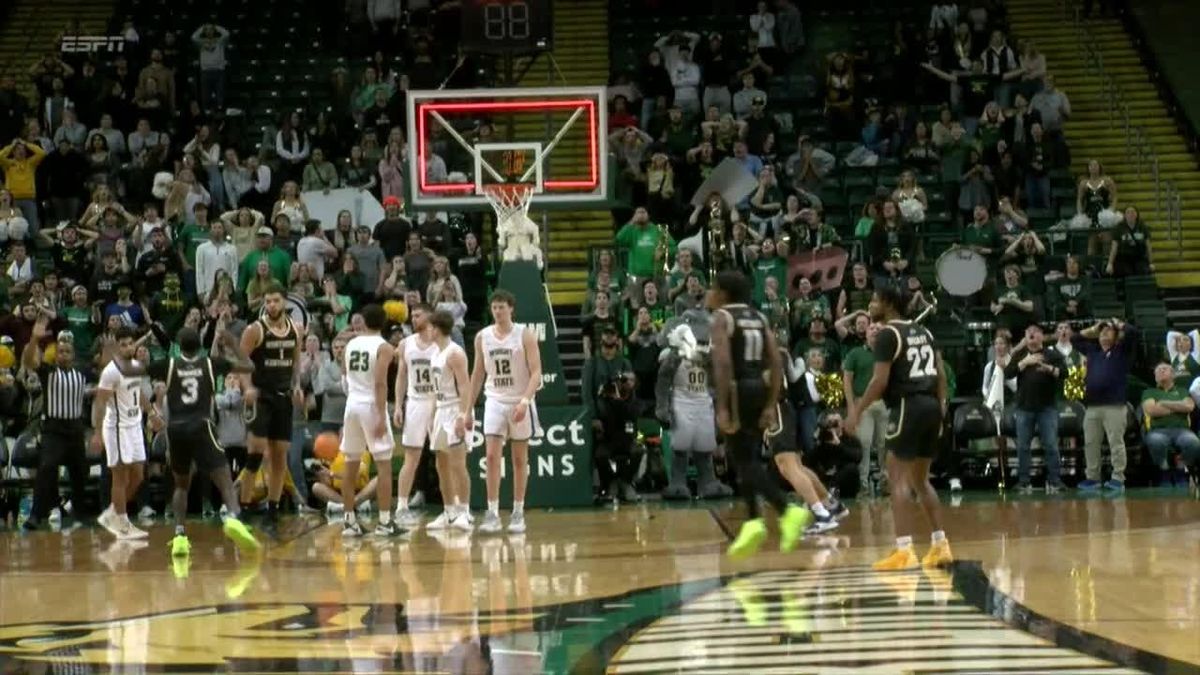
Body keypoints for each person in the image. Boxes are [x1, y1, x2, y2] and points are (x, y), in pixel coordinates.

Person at [846, 284, 952, 570]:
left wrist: (856, 411)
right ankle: (941, 545)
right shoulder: (925, 333)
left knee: (898, 481)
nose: (870, 304)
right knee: (921, 480)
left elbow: (879, 382)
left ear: (889, 303)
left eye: (874, 298)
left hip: (907, 406)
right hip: (931, 405)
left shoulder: (887, 335)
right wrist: (941, 411)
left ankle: (904, 550)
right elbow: (940, 375)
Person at [708, 271, 811, 559]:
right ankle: (753, 521)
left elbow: (724, 364)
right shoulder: (758, 317)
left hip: (737, 389)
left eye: (712, 289)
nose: (709, 294)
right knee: (746, 459)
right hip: (759, 387)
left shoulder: (722, 318)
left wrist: (723, 405)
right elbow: (777, 361)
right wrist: (770, 402)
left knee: (743, 461)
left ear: (723, 293)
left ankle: (785, 510)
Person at [141, 327, 259, 559]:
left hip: (175, 429)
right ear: (200, 346)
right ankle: (235, 518)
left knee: (181, 485)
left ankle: (180, 536)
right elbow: (249, 366)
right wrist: (234, 344)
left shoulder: (169, 364)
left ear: (179, 345)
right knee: (224, 476)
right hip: (201, 424)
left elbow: (135, 371)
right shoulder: (210, 363)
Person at [468, 290, 543, 535]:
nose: (498, 311)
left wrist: (524, 401)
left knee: (519, 459)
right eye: (494, 307)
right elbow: (478, 374)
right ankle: (492, 512)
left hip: (519, 400)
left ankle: (518, 511)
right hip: (494, 400)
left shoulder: (525, 335)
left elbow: (536, 373)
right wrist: (467, 409)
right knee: (490, 456)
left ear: (511, 308)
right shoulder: (482, 337)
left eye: (502, 307)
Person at [237, 284, 304, 525]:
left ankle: (273, 509)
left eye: (276, 300)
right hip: (261, 395)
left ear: (285, 302)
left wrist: (297, 385)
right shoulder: (255, 329)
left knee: (280, 454)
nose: (272, 305)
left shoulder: (296, 329)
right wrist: (248, 388)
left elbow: (296, 361)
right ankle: (243, 507)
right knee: (256, 450)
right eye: (268, 301)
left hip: (283, 395)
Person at [20, 319, 92, 530]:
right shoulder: (49, 372)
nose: (63, 355)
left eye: (67, 352)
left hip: (76, 429)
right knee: (47, 468)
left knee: (80, 472)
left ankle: (79, 513)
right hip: (54, 430)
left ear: (73, 355)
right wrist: (34, 339)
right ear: (56, 354)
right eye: (60, 351)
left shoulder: (81, 374)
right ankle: (36, 515)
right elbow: (28, 361)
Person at [339, 304, 399, 537]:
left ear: (363, 321)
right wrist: (382, 415)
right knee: (383, 464)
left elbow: (344, 376)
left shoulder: (351, 344)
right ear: (383, 323)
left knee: (350, 463)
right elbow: (380, 383)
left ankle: (349, 521)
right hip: (371, 405)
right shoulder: (383, 347)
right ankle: (384, 522)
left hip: (352, 403)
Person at [91, 327, 156, 539]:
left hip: (135, 426)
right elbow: (100, 403)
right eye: (123, 344)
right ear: (117, 347)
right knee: (119, 477)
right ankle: (121, 523)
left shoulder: (136, 366)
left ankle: (113, 513)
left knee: (138, 476)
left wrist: (153, 413)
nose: (128, 347)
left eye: (130, 343)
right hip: (117, 428)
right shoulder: (110, 371)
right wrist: (97, 433)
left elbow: (139, 394)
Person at [392, 304, 440, 528]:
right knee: (411, 458)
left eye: (418, 315)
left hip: (439, 402)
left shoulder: (441, 341)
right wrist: (399, 406)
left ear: (429, 317)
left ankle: (455, 508)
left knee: (445, 457)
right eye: (412, 315)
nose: (413, 318)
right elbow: (401, 376)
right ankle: (402, 506)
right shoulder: (405, 344)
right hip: (416, 402)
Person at [1004, 324, 1067, 493]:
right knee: (1023, 446)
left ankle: (1054, 481)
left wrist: (1049, 368)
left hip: (1047, 408)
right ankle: (1024, 481)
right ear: (1025, 336)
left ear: (1042, 337)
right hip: (1024, 408)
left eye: (1036, 331)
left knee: (1051, 445)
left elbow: (1064, 373)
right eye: (1029, 331)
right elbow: (1008, 373)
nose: (1032, 333)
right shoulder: (1019, 355)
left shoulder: (1052, 354)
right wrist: (1024, 363)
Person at [427, 309, 474, 531]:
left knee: (458, 464)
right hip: (440, 408)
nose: (427, 330)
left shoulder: (455, 353)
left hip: (455, 408)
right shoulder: (435, 352)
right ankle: (449, 511)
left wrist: (463, 415)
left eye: (430, 326)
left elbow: (465, 386)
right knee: (441, 465)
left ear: (437, 328)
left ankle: (464, 511)